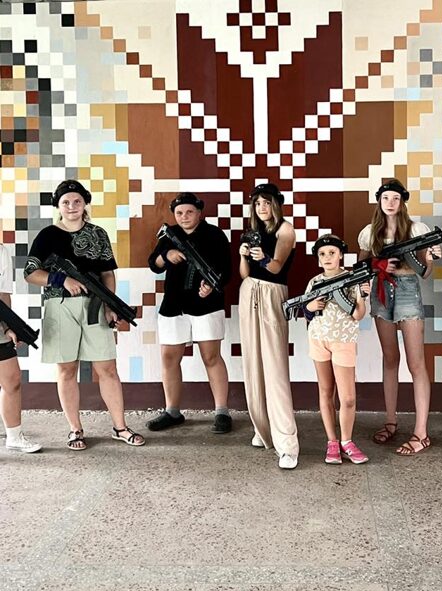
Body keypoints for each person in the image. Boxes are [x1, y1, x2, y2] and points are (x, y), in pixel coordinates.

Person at [23, 180, 145, 450]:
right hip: (60, 306)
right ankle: (75, 429)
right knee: (67, 369)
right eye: (66, 202)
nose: (72, 206)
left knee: (108, 368)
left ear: (85, 203)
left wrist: (110, 305)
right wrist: (61, 280)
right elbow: (30, 273)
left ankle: (120, 427)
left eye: (77, 201)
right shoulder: (47, 235)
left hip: (95, 306)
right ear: (58, 206)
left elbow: (107, 273)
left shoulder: (98, 234)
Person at [357, 179, 441, 455]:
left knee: (416, 363)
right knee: (390, 358)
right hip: (381, 291)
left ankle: (421, 432)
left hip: (407, 290)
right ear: (379, 202)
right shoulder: (370, 232)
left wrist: (429, 258)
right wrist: (381, 265)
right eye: (386, 198)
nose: (390, 203)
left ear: (403, 201)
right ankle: (390, 421)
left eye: (395, 198)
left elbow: (425, 273)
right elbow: (362, 267)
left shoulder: (416, 230)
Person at [146, 192, 232, 433]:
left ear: (199, 213)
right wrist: (167, 255)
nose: (184, 217)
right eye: (179, 213)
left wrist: (211, 287)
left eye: (189, 212)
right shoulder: (170, 235)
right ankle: (172, 411)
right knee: (169, 358)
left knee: (211, 357)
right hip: (174, 305)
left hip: (207, 305)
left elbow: (226, 270)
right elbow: (153, 264)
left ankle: (222, 412)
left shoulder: (214, 234)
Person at [238, 182, 299, 469]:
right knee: (253, 362)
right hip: (249, 291)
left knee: (275, 366)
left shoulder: (285, 230)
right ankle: (262, 428)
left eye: (266, 202)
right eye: (257, 203)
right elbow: (244, 274)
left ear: (276, 204)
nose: (262, 207)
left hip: (273, 293)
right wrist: (243, 255)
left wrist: (262, 257)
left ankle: (287, 444)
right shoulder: (252, 231)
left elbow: (276, 268)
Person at [304, 234, 371, 464]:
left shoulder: (352, 279)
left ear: (341, 255)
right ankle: (332, 442)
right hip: (318, 340)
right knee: (326, 392)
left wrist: (362, 296)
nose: (327, 257)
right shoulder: (314, 282)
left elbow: (358, 315)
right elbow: (306, 313)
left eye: (332, 253)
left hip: (343, 341)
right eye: (322, 254)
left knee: (348, 398)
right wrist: (310, 306)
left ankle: (347, 441)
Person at [0, 244, 42, 453]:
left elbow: (3, 295)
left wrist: (9, 327)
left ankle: (14, 437)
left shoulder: (1, 252)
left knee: (12, 379)